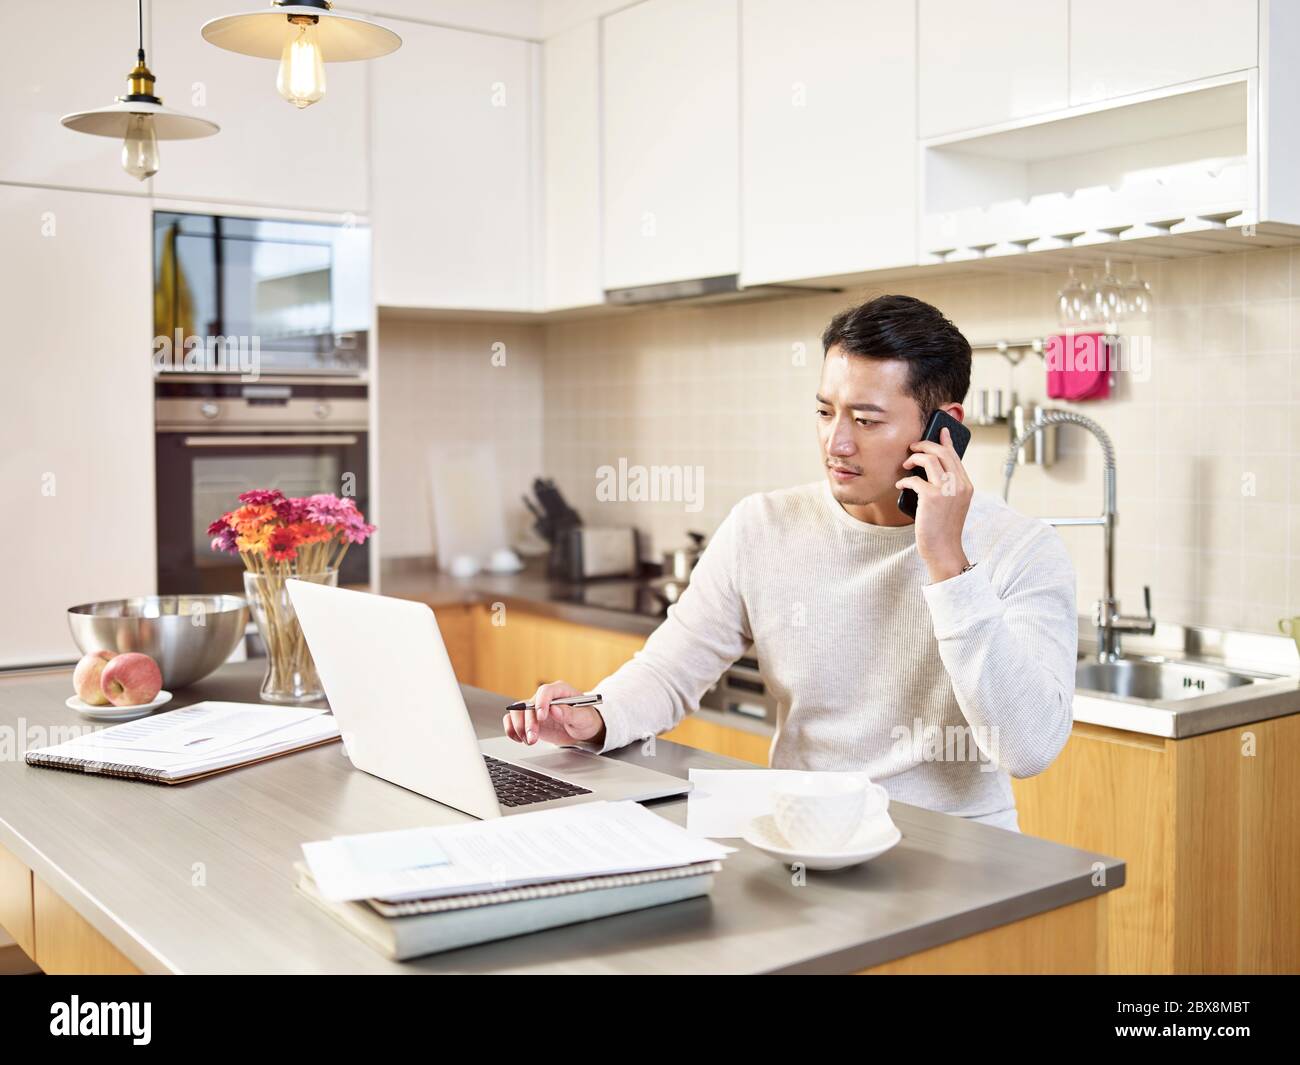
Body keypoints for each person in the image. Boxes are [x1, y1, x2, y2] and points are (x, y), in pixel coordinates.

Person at [503, 294, 1077, 832]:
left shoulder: (1022, 550)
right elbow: (668, 672)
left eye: (867, 420)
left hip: (960, 854)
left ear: (942, 428)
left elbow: (1026, 748)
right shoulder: (763, 526)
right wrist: (594, 715)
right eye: (826, 412)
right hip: (807, 837)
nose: (837, 443)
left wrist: (947, 563)